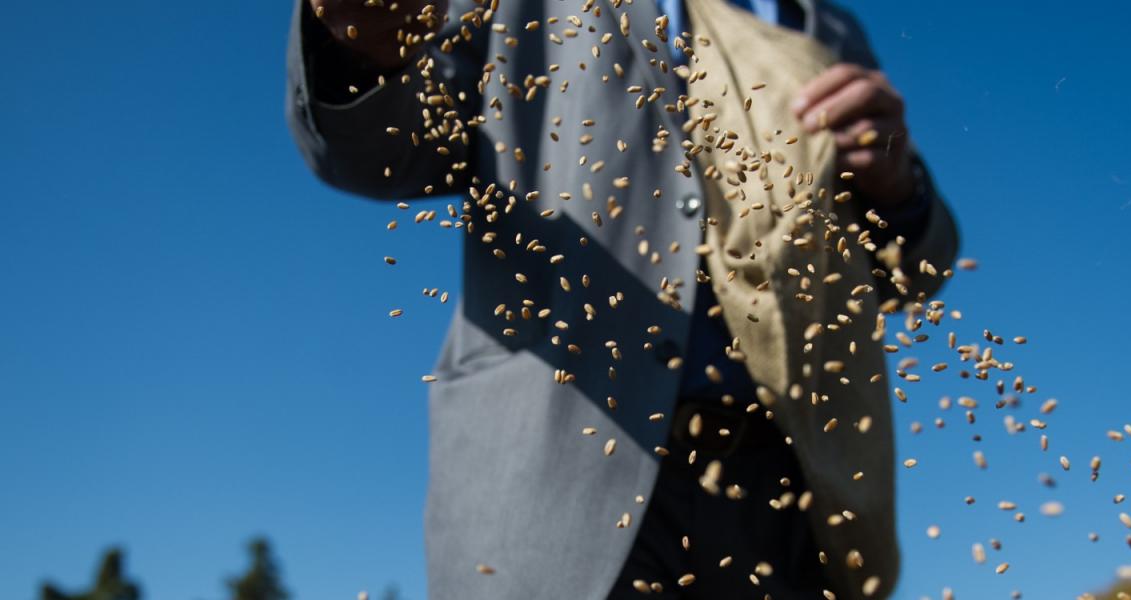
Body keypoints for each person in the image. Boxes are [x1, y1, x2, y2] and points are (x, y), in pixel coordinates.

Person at [285, 0, 958, 598]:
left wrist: (899, 190)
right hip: (564, 446)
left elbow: (900, 275)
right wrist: (357, 44)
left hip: (787, 480)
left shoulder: (825, 25)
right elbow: (381, 148)